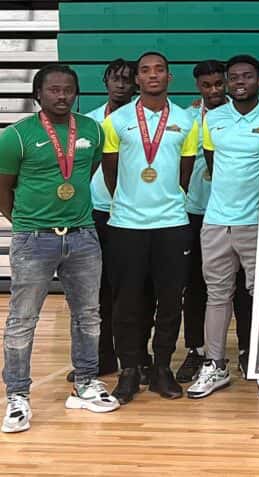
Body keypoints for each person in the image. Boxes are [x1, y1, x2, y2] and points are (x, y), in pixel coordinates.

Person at [0, 65, 120, 433]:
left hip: (83, 235)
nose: (62, 95)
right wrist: (26, 222)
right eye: (53, 90)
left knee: (88, 315)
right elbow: (3, 189)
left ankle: (86, 383)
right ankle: (17, 396)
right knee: (23, 319)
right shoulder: (15, 136)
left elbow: (87, 171)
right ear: (38, 94)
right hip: (33, 239)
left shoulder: (92, 130)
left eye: (68, 89)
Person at [102, 51, 199, 404]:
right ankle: (129, 371)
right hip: (126, 224)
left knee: (171, 302)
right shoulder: (117, 121)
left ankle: (162, 369)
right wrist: (131, 201)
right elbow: (110, 171)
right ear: (137, 80)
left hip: (172, 224)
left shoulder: (188, 120)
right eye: (145, 71)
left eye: (160, 70)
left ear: (170, 78)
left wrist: (164, 200)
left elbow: (184, 173)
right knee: (126, 302)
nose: (153, 75)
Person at [187, 55, 259, 401]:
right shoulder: (213, 117)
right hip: (215, 221)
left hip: (256, 222)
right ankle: (216, 364)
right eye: (234, 77)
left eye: (248, 76)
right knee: (217, 295)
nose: (240, 81)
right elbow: (213, 162)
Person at [76, 58, 140, 383]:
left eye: (127, 79)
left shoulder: (144, 121)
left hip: (133, 216)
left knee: (132, 292)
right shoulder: (88, 122)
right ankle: (103, 358)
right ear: (105, 82)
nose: (121, 84)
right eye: (115, 79)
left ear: (136, 85)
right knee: (96, 292)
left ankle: (137, 359)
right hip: (97, 214)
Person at [177, 60, 228, 384]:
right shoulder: (186, 118)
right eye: (206, 85)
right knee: (194, 285)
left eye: (217, 84)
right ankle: (195, 350)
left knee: (237, 290)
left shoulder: (239, 117)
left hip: (235, 214)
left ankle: (246, 353)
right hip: (195, 211)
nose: (212, 90)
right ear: (198, 87)